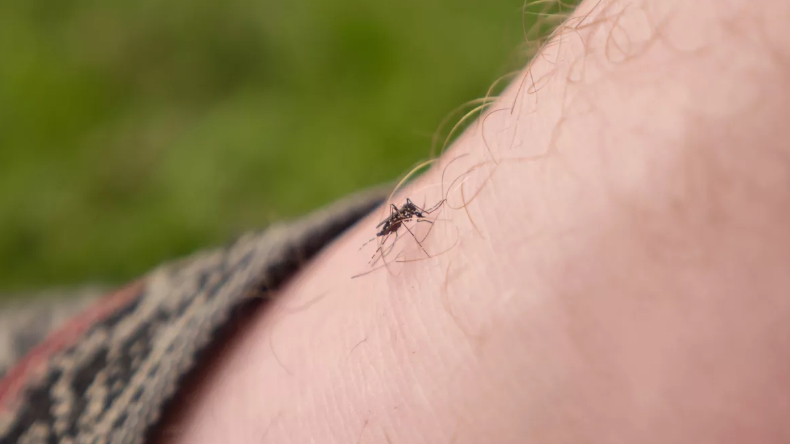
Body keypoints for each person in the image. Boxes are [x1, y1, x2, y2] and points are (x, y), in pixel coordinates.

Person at [3, 0, 790, 442]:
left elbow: (418, 214)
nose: (408, 216)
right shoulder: (405, 220)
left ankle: (388, 393)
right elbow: (411, 218)